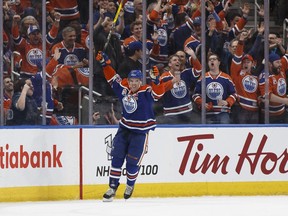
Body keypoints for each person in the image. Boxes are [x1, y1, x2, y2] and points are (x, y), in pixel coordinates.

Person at [95, 51, 180, 201]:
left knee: (132, 161)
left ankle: (130, 184)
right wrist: (105, 64)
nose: (133, 83)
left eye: (136, 81)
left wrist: (156, 81)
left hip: (140, 132)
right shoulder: (123, 88)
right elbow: (112, 78)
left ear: (141, 81)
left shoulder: (146, 91)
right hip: (124, 129)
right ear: (128, 80)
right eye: (131, 80)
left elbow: (158, 94)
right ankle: (112, 187)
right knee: (116, 158)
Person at [192, 53, 237, 124]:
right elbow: (195, 95)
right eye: (210, 60)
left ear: (219, 62)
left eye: (214, 59)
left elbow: (234, 94)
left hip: (223, 112)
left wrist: (227, 102)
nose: (212, 61)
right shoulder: (203, 78)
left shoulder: (226, 77)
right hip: (208, 113)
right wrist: (202, 102)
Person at [258, 53, 288, 123]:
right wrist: (285, 101)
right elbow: (268, 96)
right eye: (277, 62)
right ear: (269, 64)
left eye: (280, 61)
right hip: (269, 116)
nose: (280, 64)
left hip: (282, 112)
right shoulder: (264, 76)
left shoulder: (280, 68)